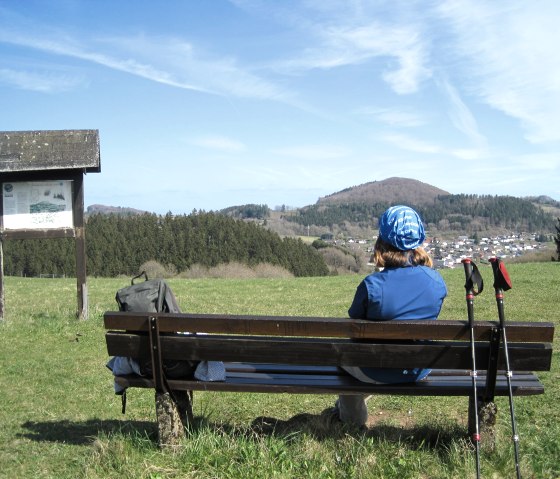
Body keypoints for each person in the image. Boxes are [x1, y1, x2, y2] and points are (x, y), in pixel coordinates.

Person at [334, 205, 447, 426]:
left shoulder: (372, 285)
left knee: (345, 353)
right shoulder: (436, 282)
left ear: (382, 242)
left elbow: (354, 324)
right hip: (418, 368)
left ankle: (351, 421)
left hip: (372, 369)